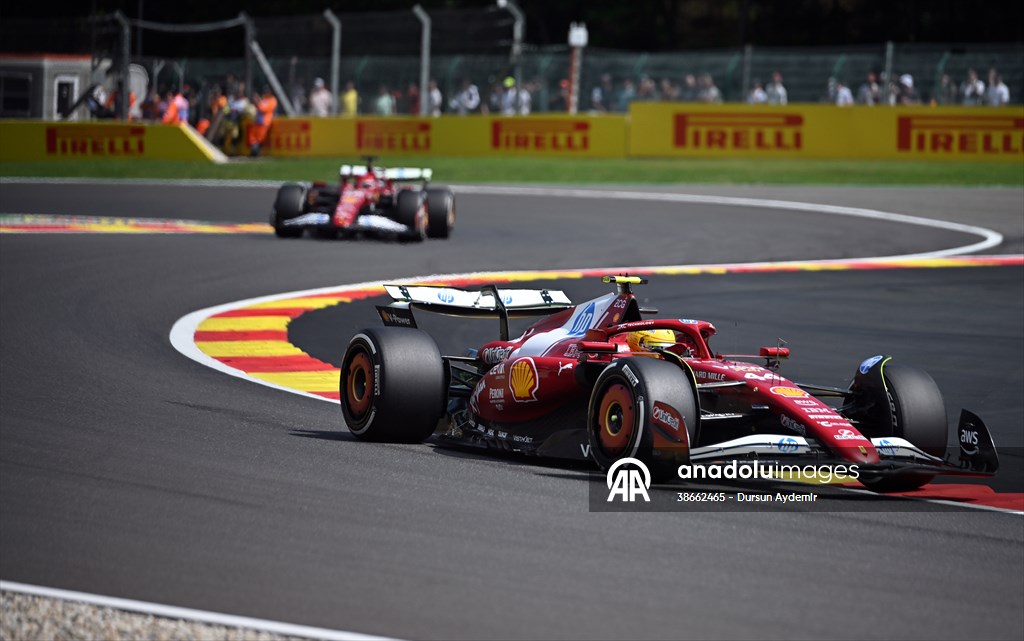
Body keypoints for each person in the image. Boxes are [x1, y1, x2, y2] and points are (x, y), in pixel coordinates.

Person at [247, 85, 277, 157]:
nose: (266, 92)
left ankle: (256, 153)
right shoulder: (263, 99)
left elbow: (264, 109)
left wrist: (258, 102)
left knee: (260, 138)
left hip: (264, 122)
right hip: (257, 121)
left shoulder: (272, 100)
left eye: (268, 90)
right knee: (252, 137)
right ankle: (253, 152)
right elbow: (258, 107)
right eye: (265, 90)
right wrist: (257, 101)